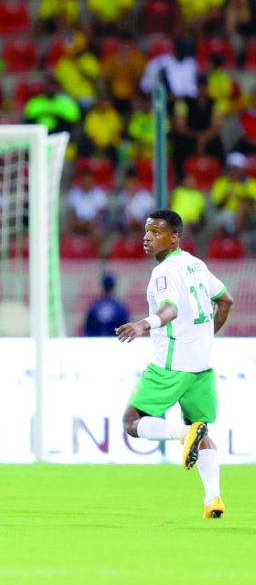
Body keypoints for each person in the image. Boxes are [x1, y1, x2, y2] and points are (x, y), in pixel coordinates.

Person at [116, 209, 233, 519]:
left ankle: (183, 436)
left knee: (131, 421)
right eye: (146, 230)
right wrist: (205, 338)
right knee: (201, 430)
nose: (147, 236)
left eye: (156, 231)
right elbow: (225, 300)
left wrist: (143, 324)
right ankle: (214, 500)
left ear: (174, 237)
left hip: (170, 363)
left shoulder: (164, 271)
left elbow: (170, 309)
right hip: (202, 365)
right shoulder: (196, 263)